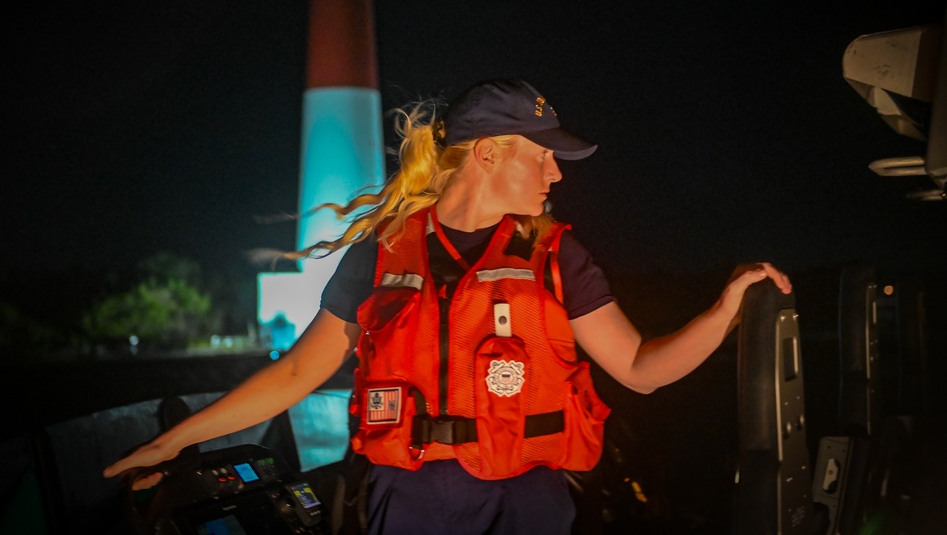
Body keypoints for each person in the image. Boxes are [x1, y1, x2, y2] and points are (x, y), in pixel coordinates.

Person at [103, 78, 792, 534]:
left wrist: (724, 308)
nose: (556, 173)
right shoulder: (381, 254)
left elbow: (641, 368)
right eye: (544, 155)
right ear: (490, 152)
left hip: (527, 499)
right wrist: (176, 440)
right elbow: (292, 376)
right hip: (410, 502)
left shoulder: (557, 258)